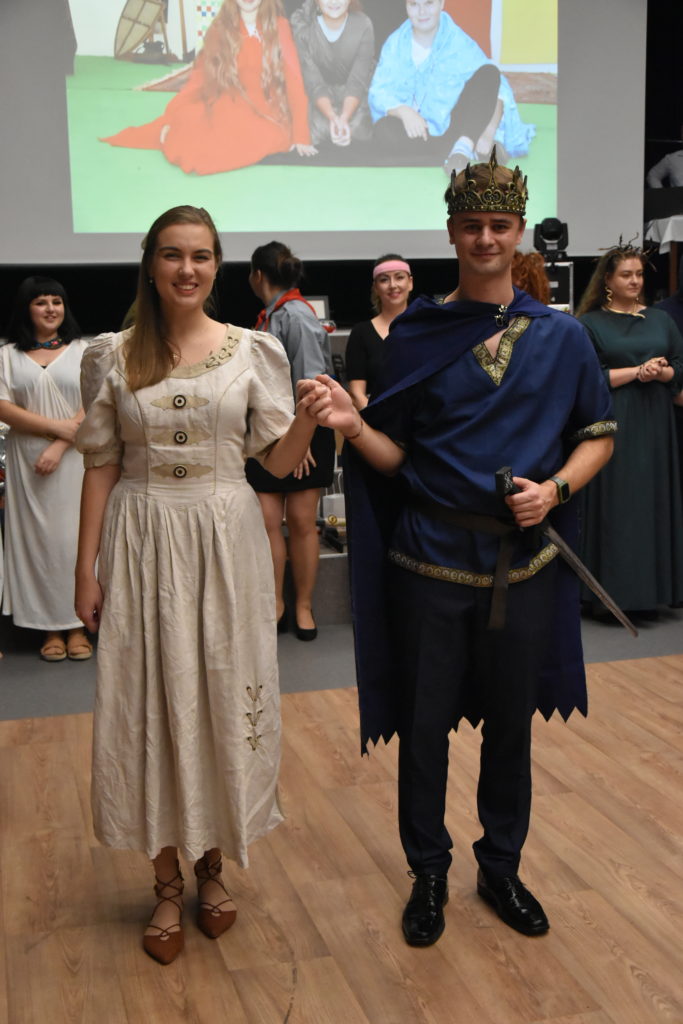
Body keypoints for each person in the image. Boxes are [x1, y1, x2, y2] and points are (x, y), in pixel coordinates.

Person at [302, 151, 615, 946]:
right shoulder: (416, 333)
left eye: (498, 226)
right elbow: (395, 461)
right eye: (471, 225)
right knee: (424, 727)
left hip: (522, 565)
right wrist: (352, 426)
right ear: (450, 232)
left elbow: (597, 436)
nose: (484, 239)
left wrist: (555, 490)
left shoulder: (563, 337)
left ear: (518, 233)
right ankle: (429, 872)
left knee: (511, 726)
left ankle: (500, 867)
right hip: (429, 561)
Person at [74, 206, 324, 965]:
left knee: (218, 691)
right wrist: (85, 567)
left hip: (225, 536)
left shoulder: (252, 349)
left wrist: (310, 419)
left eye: (202, 256)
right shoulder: (112, 354)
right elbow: (101, 464)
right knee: (148, 698)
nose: (188, 269)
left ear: (217, 266)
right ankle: (163, 880)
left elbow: (275, 463)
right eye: (173, 255)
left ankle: (212, 866)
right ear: (150, 263)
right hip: (142, 536)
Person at [576, 243, 683, 613]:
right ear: (608, 280)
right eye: (626, 275)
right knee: (619, 504)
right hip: (615, 419)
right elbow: (588, 378)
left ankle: (654, 592)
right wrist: (638, 371)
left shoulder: (661, 319)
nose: (635, 281)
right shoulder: (590, 324)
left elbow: (679, 368)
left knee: (653, 501)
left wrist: (660, 371)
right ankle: (611, 593)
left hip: (656, 422)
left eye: (639, 274)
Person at [101, 0, 316, 174]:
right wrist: (172, 115)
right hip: (230, 105)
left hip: (268, 112)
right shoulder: (220, 28)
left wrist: (301, 135)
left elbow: (294, 80)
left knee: (264, 138)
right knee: (195, 133)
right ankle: (172, 130)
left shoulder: (279, 26)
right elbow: (199, 79)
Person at [246, 240, 335, 640]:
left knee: (300, 521)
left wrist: (299, 441)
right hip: (266, 432)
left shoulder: (296, 315)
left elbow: (313, 384)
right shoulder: (269, 316)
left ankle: (303, 606)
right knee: (267, 521)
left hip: (305, 429)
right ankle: (275, 604)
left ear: (257, 275)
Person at [0, 277, 91, 662]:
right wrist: (57, 428)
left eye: (57, 301)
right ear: (27, 308)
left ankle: (78, 625)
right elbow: (2, 406)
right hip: (27, 463)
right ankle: (50, 628)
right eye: (41, 302)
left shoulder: (84, 351)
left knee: (75, 540)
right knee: (39, 543)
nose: (51, 308)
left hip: (75, 460)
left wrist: (60, 443)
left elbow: (96, 401)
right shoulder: (7, 356)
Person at [367, 0, 534, 172]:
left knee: (489, 72)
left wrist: (488, 132)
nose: (422, 11)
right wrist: (403, 111)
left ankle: (463, 147)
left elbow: (495, 86)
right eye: (414, 4)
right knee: (383, 130)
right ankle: (461, 151)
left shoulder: (456, 40)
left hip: (456, 123)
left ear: (441, 4)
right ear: (406, 7)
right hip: (419, 131)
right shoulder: (396, 43)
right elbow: (378, 91)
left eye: (429, 3)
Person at [290, 0, 375, 148]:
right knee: (314, 130)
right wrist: (332, 116)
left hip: (356, 96)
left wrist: (344, 117)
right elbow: (313, 82)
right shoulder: (304, 28)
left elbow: (357, 82)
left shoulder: (363, 24)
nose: (334, 1)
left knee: (359, 129)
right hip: (319, 98)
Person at [345, 253, 414, 408]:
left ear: (410, 283)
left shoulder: (426, 326)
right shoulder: (361, 333)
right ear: (376, 287)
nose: (393, 285)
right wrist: (378, 419)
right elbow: (356, 393)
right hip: (377, 418)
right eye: (384, 280)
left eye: (399, 277)